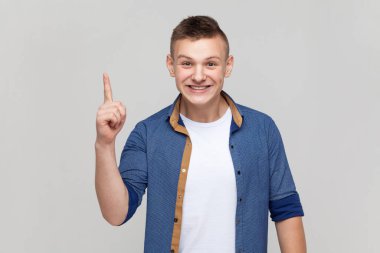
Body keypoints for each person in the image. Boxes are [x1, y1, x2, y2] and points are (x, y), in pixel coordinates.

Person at [95, 16, 306, 253]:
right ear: (170, 65)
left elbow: (286, 209)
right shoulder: (147, 133)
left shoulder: (262, 130)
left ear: (228, 66)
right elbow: (116, 214)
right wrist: (104, 144)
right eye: (187, 63)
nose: (198, 76)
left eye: (210, 64)